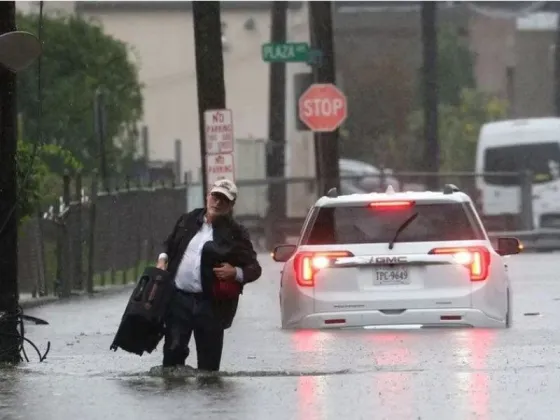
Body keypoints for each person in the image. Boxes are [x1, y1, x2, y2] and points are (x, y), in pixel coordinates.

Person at [157, 178, 262, 371]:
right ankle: (173, 398)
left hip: (211, 306)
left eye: (224, 199)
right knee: (172, 359)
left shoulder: (236, 233)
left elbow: (254, 268)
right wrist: (163, 259)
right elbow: (168, 243)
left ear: (231, 205)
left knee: (209, 369)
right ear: (208, 196)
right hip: (178, 300)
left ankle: (210, 399)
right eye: (215, 196)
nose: (218, 202)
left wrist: (236, 272)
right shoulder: (188, 220)